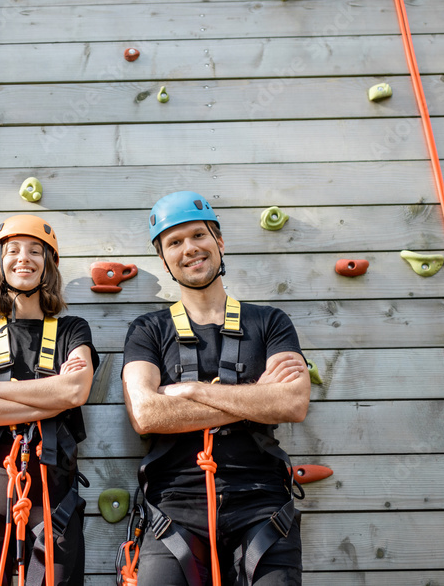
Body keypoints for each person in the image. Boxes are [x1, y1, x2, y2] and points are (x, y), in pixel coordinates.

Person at [121, 191, 310, 586]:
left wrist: (189, 391)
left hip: (262, 503)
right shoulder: (148, 330)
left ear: (219, 242)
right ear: (164, 259)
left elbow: (292, 402)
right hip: (174, 507)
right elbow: (146, 414)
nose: (189, 248)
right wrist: (259, 396)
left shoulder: (270, 322)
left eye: (198, 236)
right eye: (174, 242)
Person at [0, 214, 99, 586]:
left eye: (36, 251)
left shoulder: (72, 330)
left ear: (49, 265)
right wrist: (53, 396)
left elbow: (76, 391)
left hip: (53, 485)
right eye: (12, 250)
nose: (24, 258)